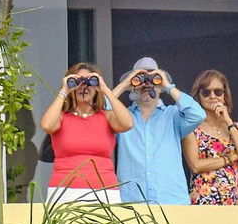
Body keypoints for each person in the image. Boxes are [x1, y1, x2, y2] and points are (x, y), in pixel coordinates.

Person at [37, 62, 133, 204]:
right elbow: (46, 125)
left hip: (104, 190)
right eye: (78, 81)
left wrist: (105, 90)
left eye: (90, 81)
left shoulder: (106, 116)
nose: (84, 86)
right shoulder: (61, 117)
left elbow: (128, 123)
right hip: (65, 190)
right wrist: (64, 91)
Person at [114, 56, 205, 205]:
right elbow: (100, 113)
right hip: (133, 202)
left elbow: (198, 114)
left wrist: (168, 86)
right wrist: (124, 85)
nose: (147, 84)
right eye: (140, 79)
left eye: (153, 79)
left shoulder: (173, 116)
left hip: (171, 201)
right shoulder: (122, 118)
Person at [183, 70, 238, 205]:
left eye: (218, 92)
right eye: (206, 92)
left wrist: (228, 121)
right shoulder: (192, 128)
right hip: (204, 200)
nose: (212, 96)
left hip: (235, 200)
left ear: (225, 95)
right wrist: (230, 158)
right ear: (198, 96)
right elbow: (195, 165)